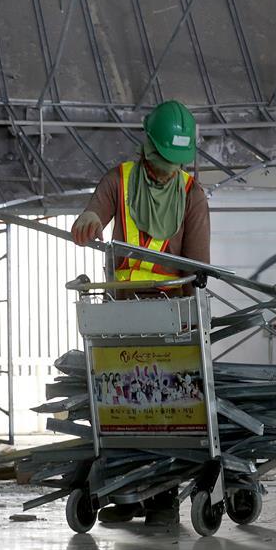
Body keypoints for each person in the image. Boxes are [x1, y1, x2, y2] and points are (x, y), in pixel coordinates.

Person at [70, 99, 208, 527]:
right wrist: (89, 219)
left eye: (176, 162)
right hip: (121, 318)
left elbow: (198, 267)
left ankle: (162, 494)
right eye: (164, 158)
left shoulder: (192, 194)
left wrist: (186, 321)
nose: (168, 169)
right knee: (121, 406)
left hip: (169, 320)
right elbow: (96, 209)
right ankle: (126, 492)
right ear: (147, 146)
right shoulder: (121, 180)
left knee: (166, 409)